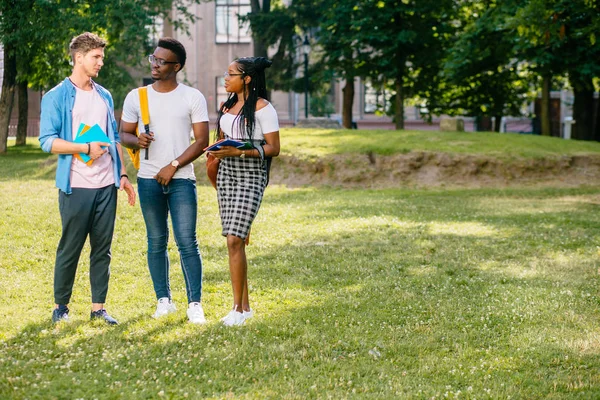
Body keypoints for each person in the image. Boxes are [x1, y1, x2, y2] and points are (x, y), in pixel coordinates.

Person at [39, 32, 136, 325]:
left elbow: (115, 137)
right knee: (71, 246)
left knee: (102, 249)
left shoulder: (104, 95)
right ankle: (61, 307)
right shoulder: (55, 96)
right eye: (96, 57)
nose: (101, 62)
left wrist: (122, 173)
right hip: (76, 185)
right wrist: (84, 148)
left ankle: (98, 308)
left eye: (102, 57)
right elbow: (47, 141)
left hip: (106, 184)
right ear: (79, 57)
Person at [119, 38, 210, 324]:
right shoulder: (138, 96)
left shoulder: (192, 96)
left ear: (177, 66)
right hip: (148, 180)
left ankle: (194, 303)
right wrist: (137, 139)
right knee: (156, 241)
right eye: (153, 59)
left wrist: (173, 165)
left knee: (187, 242)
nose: (155, 64)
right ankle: (164, 300)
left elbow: (202, 141)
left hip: (182, 179)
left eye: (161, 61)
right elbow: (123, 134)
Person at [208, 57, 280, 326]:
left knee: (234, 240)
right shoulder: (228, 106)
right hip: (227, 175)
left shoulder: (263, 108)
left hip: (251, 176)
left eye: (231, 75)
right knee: (234, 239)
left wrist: (239, 151)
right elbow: (224, 138)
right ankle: (244, 307)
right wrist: (217, 151)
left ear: (247, 79)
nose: (226, 79)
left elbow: (274, 148)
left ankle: (238, 310)